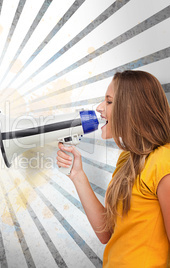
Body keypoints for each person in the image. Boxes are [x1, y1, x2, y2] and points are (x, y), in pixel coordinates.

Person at [56, 70, 170, 267]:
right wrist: (77, 175)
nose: (100, 109)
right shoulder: (128, 158)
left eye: (109, 102)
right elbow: (106, 233)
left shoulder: (164, 160)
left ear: (132, 108)